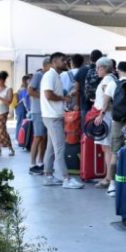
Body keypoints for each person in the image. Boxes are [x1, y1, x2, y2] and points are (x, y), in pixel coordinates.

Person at [40, 52, 85, 189]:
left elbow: (54, 94)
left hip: (53, 115)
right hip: (52, 117)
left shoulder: (56, 76)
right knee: (60, 148)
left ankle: (48, 176)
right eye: (62, 60)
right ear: (53, 62)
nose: (65, 62)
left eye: (65, 60)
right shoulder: (50, 75)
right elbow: (48, 94)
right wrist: (63, 99)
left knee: (51, 148)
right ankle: (66, 178)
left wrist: (66, 96)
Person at [104, 61, 126, 196]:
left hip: (117, 122)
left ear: (117, 70)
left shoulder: (112, 84)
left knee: (115, 153)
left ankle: (112, 184)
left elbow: (105, 104)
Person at [92, 57, 117, 189]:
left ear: (103, 68)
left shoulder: (107, 81)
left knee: (107, 147)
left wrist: (101, 113)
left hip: (105, 117)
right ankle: (108, 176)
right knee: (107, 147)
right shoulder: (111, 79)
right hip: (106, 116)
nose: (96, 71)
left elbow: (109, 100)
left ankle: (108, 178)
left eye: (97, 68)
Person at [28, 58, 51, 175]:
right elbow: (30, 91)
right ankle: (32, 165)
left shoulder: (49, 76)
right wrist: (43, 97)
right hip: (38, 111)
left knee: (44, 138)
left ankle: (40, 162)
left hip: (45, 111)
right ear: (46, 65)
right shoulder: (38, 75)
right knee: (38, 137)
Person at [73, 49, 101, 125]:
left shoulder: (82, 70)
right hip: (99, 105)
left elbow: (77, 90)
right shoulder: (102, 70)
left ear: (90, 58)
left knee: (85, 127)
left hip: (84, 104)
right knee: (98, 128)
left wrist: (77, 104)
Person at [15, 75, 31, 141]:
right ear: (26, 80)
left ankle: (21, 138)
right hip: (21, 107)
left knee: (21, 122)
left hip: (21, 108)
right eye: (30, 79)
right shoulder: (23, 89)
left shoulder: (23, 89)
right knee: (20, 122)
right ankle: (18, 139)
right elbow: (25, 100)